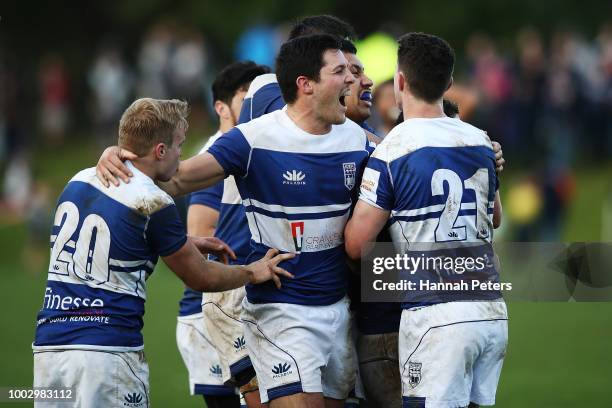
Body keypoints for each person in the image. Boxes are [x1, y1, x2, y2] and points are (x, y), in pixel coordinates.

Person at [33, 98, 293, 408]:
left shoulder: (78, 180)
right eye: (179, 145)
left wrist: (184, 243)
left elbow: (113, 235)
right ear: (160, 150)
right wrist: (253, 271)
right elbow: (201, 277)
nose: (181, 154)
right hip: (106, 353)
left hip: (49, 349)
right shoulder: (153, 201)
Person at [344, 33, 508, 408]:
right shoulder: (480, 141)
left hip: (435, 315)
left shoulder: (392, 150)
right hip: (491, 312)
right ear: (449, 84)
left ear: (399, 81)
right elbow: (494, 217)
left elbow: (356, 244)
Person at [177, 61, 270, 408]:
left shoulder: (259, 143)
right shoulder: (218, 153)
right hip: (210, 312)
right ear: (221, 107)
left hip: (243, 298)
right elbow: (201, 234)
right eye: (246, 98)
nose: (255, 107)